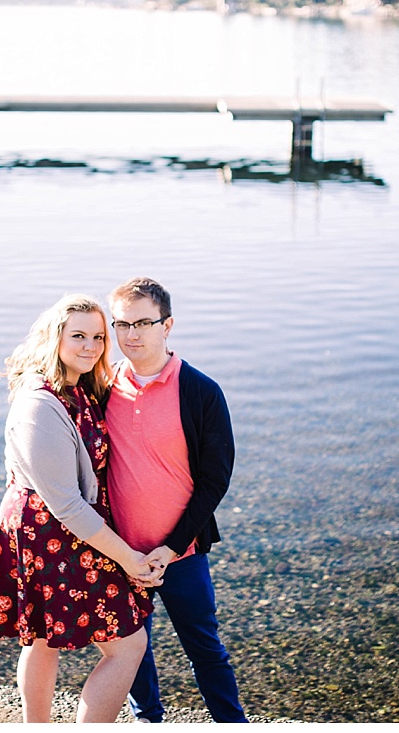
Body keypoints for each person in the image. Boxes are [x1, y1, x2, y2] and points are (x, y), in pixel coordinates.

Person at [0, 294, 165, 723]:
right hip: (51, 530)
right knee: (127, 646)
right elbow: (67, 505)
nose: (91, 346)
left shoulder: (78, 387)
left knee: (41, 639)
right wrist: (130, 559)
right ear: (53, 337)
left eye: (99, 336)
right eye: (78, 335)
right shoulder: (38, 406)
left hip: (60, 525)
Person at [105, 277, 248, 723]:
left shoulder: (202, 391)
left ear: (167, 325)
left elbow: (214, 480)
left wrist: (169, 548)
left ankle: (231, 723)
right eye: (122, 324)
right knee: (131, 651)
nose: (131, 335)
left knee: (205, 647)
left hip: (181, 553)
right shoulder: (102, 387)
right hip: (120, 554)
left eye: (143, 323)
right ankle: (148, 720)